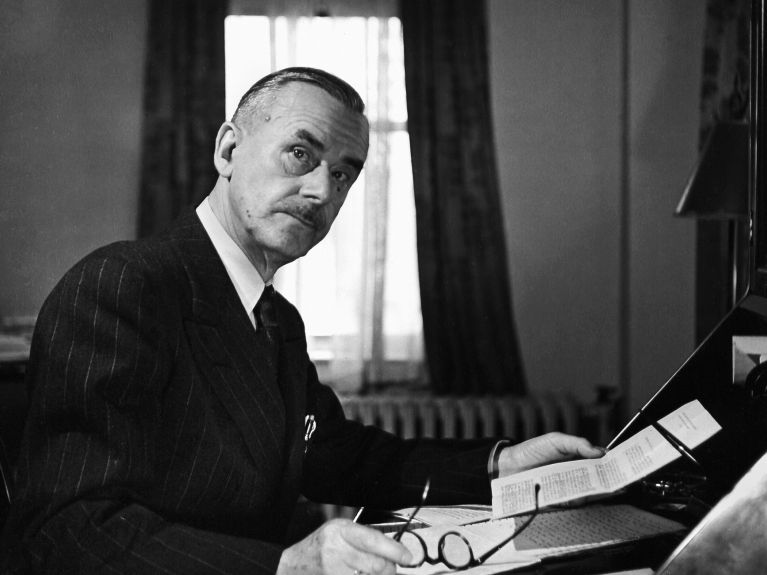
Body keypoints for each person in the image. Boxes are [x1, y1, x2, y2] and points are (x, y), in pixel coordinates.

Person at [0, 68, 604, 575]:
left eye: (342, 174)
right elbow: (67, 528)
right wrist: (287, 566)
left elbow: (336, 456)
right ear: (228, 151)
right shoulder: (121, 287)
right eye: (300, 153)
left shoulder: (276, 318)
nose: (321, 191)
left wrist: (499, 465)